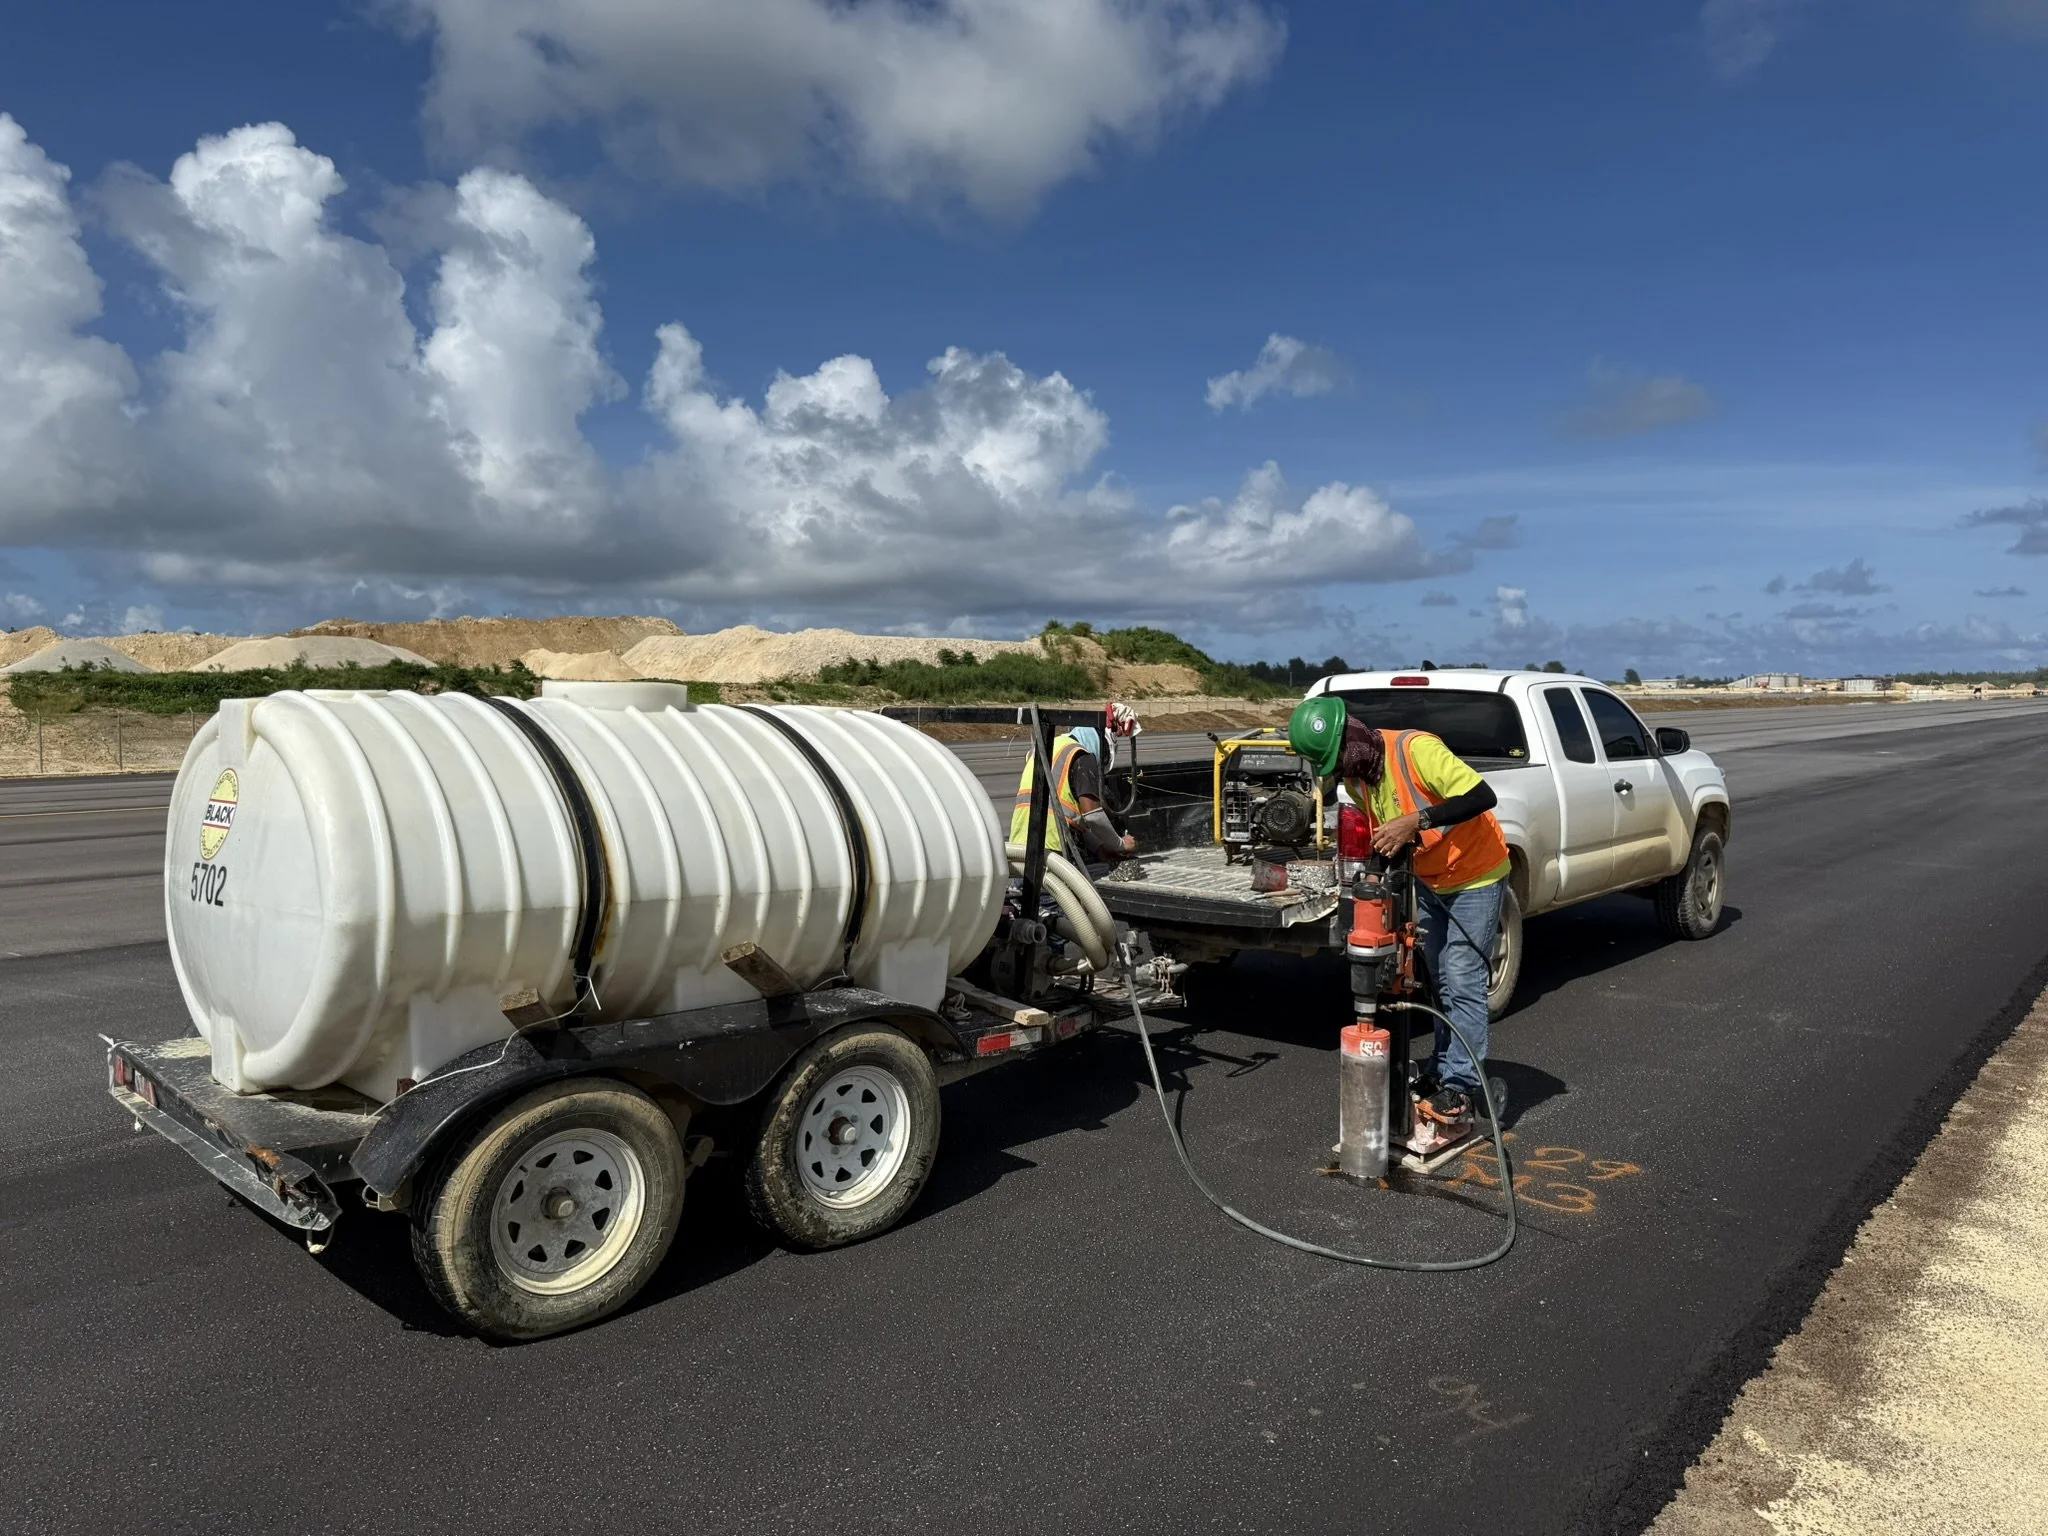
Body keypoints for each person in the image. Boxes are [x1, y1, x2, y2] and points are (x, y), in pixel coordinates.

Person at [1288, 695, 1510, 1147]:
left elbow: (1482, 796)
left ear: (1353, 742)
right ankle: (1444, 1069)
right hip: (1431, 879)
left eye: (1339, 763)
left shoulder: (1415, 751)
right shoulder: (1359, 783)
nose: (1340, 774)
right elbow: (1385, 838)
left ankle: (1462, 1087)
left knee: (1463, 976)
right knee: (1437, 980)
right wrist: (1373, 874)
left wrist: (1417, 820)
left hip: (1476, 874)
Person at [1010, 724, 1137, 865]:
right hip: (1053, 844)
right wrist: (1120, 844)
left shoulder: (1047, 749)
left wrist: (1099, 847)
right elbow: (1093, 815)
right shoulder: (1082, 756)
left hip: (1020, 841)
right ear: (1100, 744)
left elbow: (1070, 817)